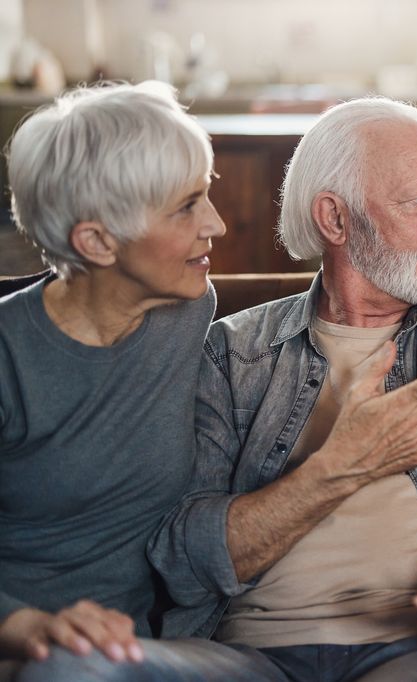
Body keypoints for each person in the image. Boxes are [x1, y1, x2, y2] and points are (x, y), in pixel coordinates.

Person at [45, 96, 417, 682]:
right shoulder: (231, 351)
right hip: (248, 657)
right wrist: (344, 465)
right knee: (69, 670)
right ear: (335, 219)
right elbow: (182, 558)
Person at [0, 81, 223, 669]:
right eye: (187, 206)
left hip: (141, 655)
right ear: (98, 242)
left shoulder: (190, 311)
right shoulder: (6, 356)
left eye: (208, 194)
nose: (217, 225)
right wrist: (26, 626)